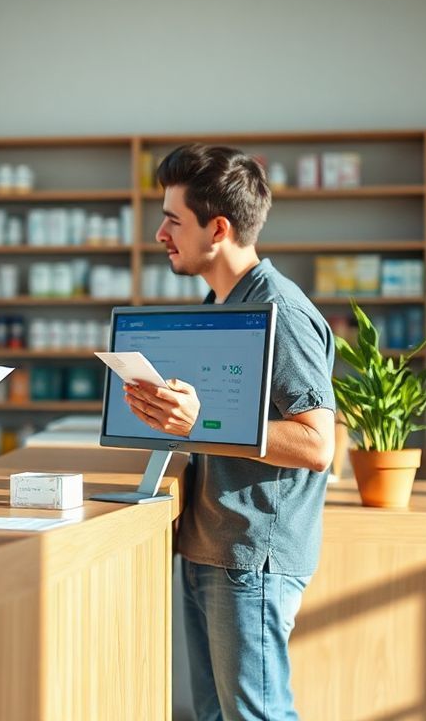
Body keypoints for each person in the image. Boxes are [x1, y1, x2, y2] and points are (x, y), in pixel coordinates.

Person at [123, 143, 335, 721]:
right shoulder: (221, 302)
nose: (160, 233)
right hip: (210, 545)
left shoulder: (279, 310)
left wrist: (199, 424)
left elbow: (317, 443)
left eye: (173, 220)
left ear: (217, 228)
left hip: (252, 556)